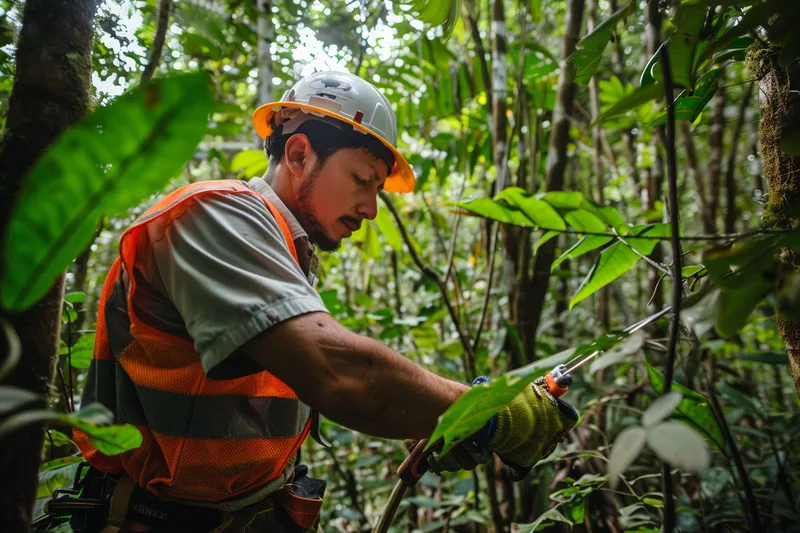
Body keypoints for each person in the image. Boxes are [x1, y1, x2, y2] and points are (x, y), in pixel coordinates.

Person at [65, 70, 578, 532]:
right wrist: (487, 412)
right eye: (362, 180)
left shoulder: (285, 247)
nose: (372, 209)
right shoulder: (213, 216)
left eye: (378, 188)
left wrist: (431, 415)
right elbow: (338, 373)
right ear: (298, 154)